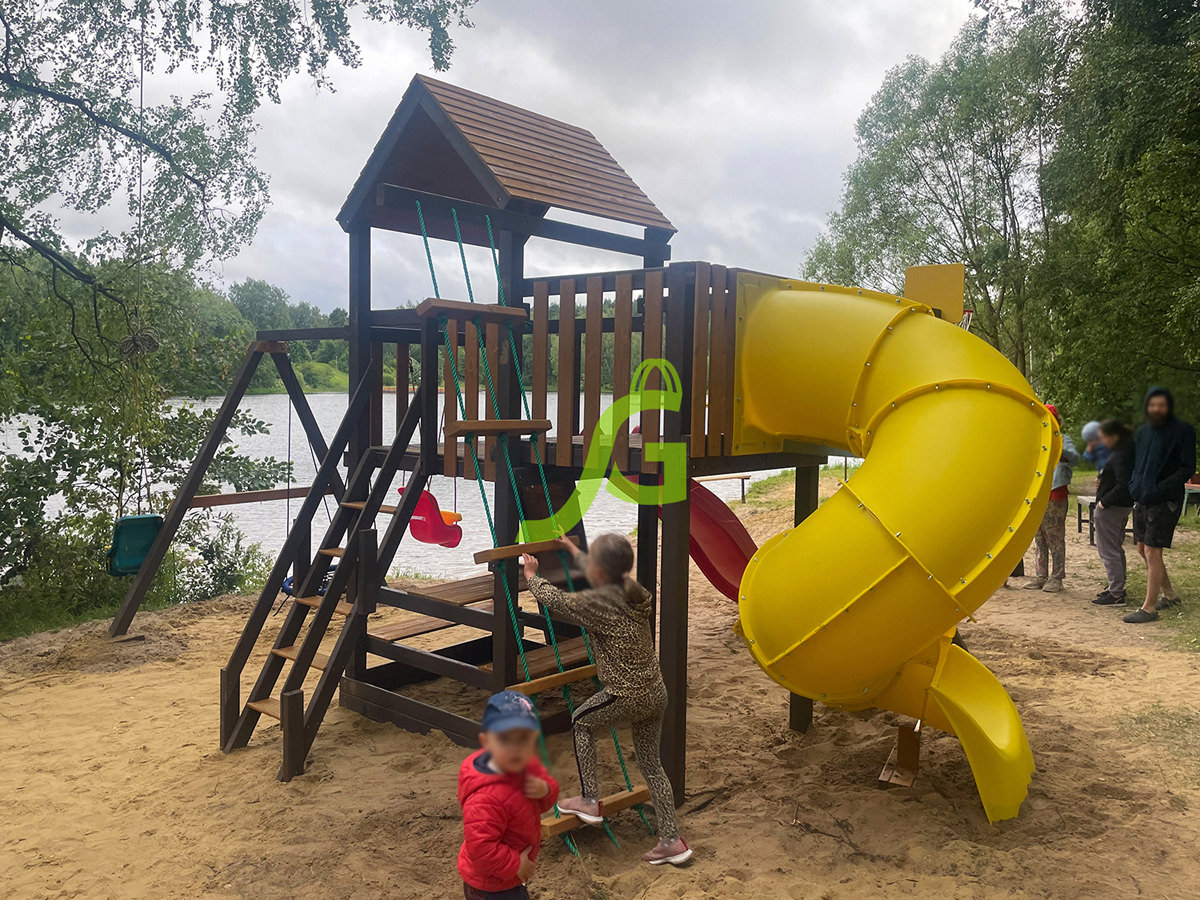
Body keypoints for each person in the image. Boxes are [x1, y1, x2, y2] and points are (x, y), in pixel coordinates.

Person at [521, 533, 693, 867]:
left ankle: (589, 800)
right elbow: (602, 570)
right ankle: (672, 842)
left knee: (580, 723)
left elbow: (557, 600)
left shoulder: (599, 605)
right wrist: (572, 549)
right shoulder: (634, 591)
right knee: (652, 765)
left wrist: (532, 577)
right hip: (655, 692)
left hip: (626, 693)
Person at [458, 691, 560, 900]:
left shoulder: (524, 765)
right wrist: (515, 865)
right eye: (505, 740)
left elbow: (544, 799)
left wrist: (545, 790)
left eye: (523, 740)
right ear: (486, 741)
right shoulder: (485, 798)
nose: (515, 749)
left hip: (509, 877)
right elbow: (481, 847)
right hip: (489, 885)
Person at [1123, 387, 1197, 624]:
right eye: (1153, 405)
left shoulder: (1182, 430)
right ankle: (1170, 595)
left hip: (1166, 500)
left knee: (1152, 551)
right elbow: (1135, 461)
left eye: (1161, 405)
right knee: (1141, 549)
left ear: (1169, 406)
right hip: (1142, 497)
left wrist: (1159, 488)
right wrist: (1134, 485)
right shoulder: (1144, 431)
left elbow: (1187, 467)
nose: (1156, 409)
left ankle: (1149, 608)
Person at [1025, 404, 1080, 593]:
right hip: (1037, 496)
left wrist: (1058, 445)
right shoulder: (1036, 441)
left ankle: (1057, 577)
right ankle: (1041, 576)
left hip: (1055, 496)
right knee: (1039, 538)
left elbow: (1075, 458)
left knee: (1055, 538)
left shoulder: (1063, 440)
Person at [1090, 419, 1135, 606]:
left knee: (1108, 550)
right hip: (1120, 506)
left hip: (1111, 508)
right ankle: (1116, 586)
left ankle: (1116, 593)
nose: (1102, 442)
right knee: (1115, 547)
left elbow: (1123, 484)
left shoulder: (1121, 454)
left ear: (1114, 436)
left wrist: (1104, 502)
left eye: (1104, 438)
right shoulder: (1126, 450)